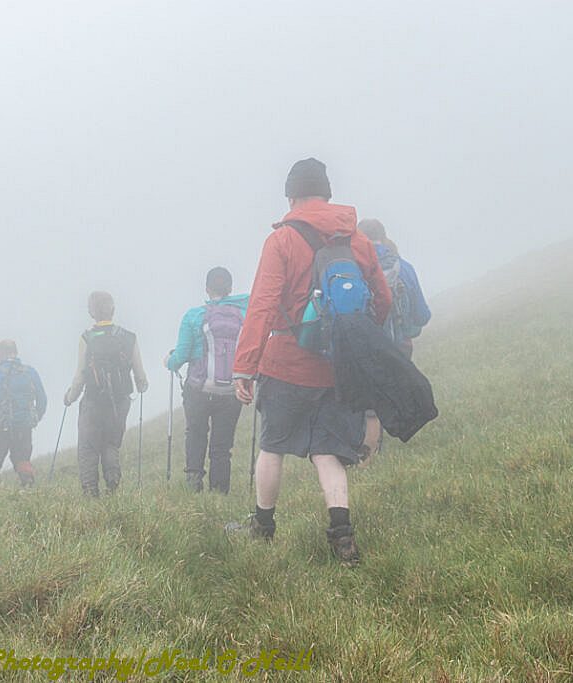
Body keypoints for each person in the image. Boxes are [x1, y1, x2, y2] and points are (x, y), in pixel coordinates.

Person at [227, 158, 391, 567]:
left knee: (273, 445)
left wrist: (244, 365)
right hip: (337, 365)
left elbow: (262, 305)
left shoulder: (282, 240)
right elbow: (382, 299)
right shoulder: (357, 240)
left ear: (291, 195)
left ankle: (263, 527)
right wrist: (355, 343)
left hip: (286, 363)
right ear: (328, 194)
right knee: (329, 451)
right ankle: (342, 537)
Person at [164, 267, 248, 493]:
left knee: (196, 433)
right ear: (230, 288)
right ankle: (220, 491)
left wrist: (168, 361)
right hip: (231, 391)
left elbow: (180, 356)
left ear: (207, 288)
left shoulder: (194, 316)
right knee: (222, 446)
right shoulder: (245, 314)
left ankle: (194, 484)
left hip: (198, 390)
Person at [64, 291, 149, 496]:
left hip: (93, 401)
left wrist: (69, 397)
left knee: (88, 447)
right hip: (120, 402)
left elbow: (80, 376)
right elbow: (141, 379)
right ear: (113, 309)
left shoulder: (87, 338)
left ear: (91, 312)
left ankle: (90, 492)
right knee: (111, 443)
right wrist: (141, 386)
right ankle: (113, 486)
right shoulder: (128, 337)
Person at [357, 219, 431, 360]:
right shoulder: (404, 267)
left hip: (367, 349)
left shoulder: (354, 268)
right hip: (401, 347)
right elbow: (422, 316)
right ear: (384, 237)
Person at [0, 339, 48, 486]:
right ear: (16, 352)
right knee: (23, 460)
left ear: (0, 353)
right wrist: (34, 417)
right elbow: (42, 399)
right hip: (24, 425)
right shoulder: (30, 372)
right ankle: (28, 491)